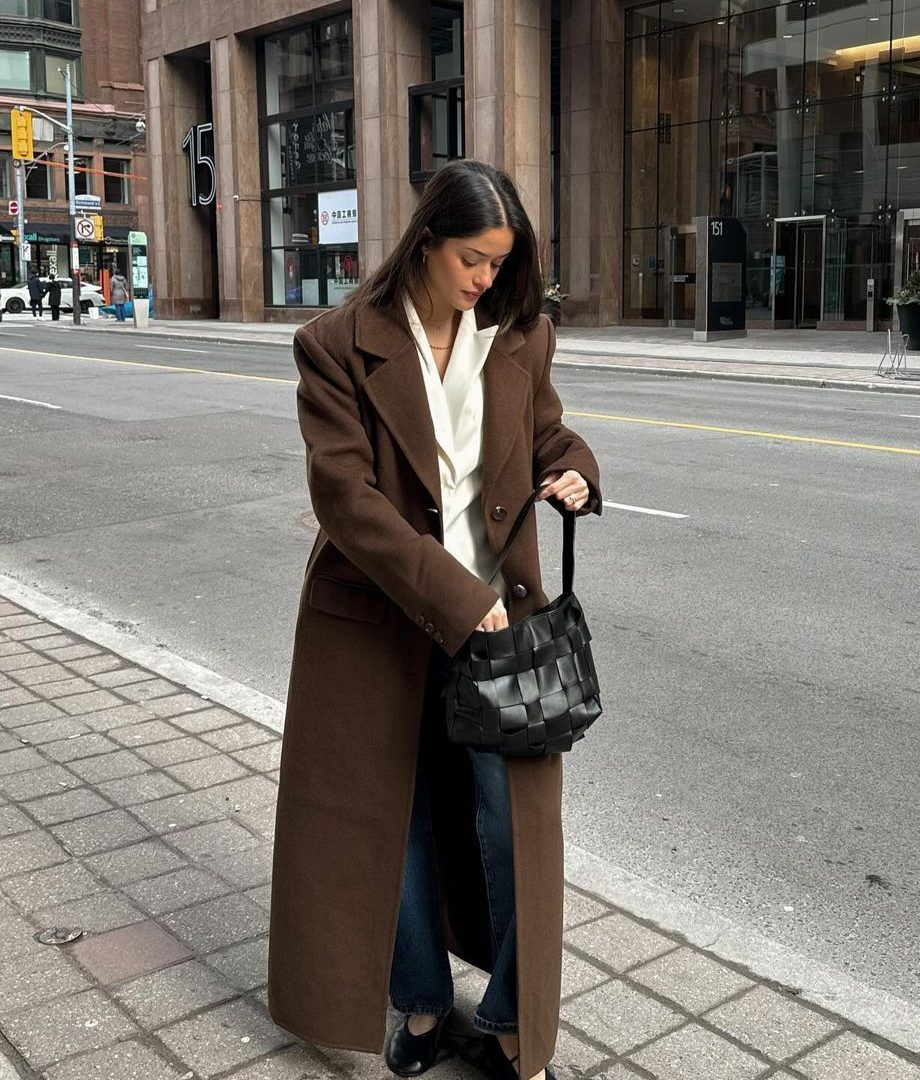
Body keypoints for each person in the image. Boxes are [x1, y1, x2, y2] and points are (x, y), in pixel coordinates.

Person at [268, 160, 601, 1080]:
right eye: (473, 258)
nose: (486, 279)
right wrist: (458, 598)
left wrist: (576, 468)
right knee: (392, 819)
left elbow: (547, 433)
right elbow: (346, 499)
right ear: (425, 240)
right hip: (379, 623)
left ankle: (505, 1019)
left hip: (502, 632)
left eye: (500, 262)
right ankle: (418, 1004)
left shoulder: (520, 334)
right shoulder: (337, 344)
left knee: (514, 828)